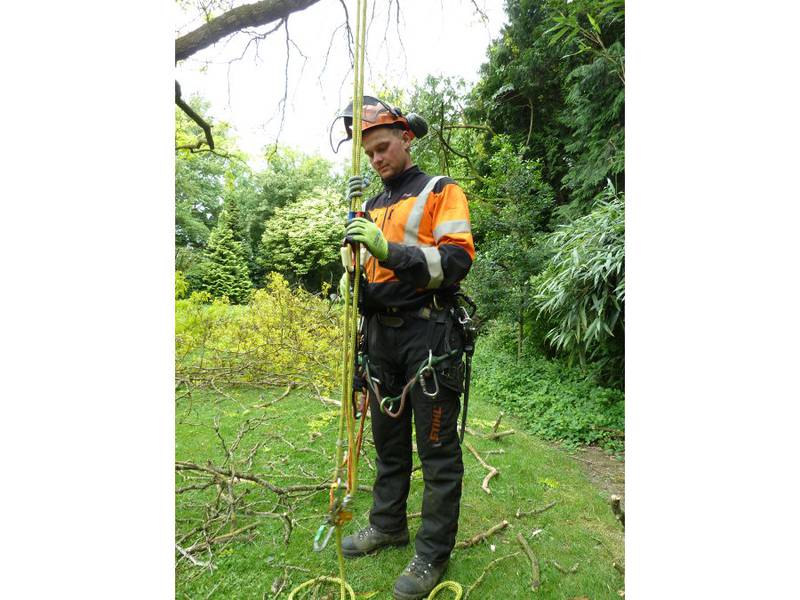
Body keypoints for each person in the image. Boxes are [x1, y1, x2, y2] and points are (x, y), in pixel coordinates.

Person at [332, 96, 475, 600]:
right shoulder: (369, 205)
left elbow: (456, 262)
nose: (376, 159)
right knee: (388, 444)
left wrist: (387, 249)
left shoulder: (441, 191)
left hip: (428, 334)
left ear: (406, 139)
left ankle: (432, 551)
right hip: (381, 336)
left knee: (436, 450)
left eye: (383, 147)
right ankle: (388, 524)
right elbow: (357, 278)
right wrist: (350, 238)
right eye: (368, 152)